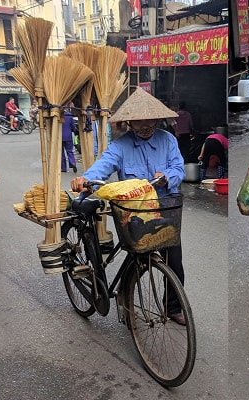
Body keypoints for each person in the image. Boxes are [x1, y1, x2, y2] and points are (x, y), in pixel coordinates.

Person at [70, 88, 188, 325]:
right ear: (129, 123)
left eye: (150, 120)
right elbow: (104, 164)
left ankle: (173, 307)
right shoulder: (121, 146)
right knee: (134, 257)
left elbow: (179, 168)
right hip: (133, 213)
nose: (146, 125)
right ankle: (124, 294)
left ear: (157, 119)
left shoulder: (168, 140)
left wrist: (166, 176)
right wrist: (85, 178)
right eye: (139, 121)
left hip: (164, 209)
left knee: (175, 263)